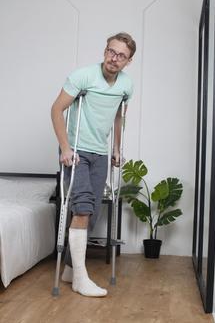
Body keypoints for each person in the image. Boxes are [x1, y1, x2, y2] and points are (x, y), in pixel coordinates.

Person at [51, 32, 136, 297]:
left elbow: (118, 119)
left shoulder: (126, 86)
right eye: (111, 51)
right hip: (76, 151)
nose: (114, 58)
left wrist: (117, 148)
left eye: (121, 55)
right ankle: (79, 278)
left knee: (92, 214)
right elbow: (56, 109)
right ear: (105, 51)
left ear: (128, 61)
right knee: (83, 207)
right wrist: (65, 148)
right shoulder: (83, 76)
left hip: (100, 154)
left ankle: (68, 270)